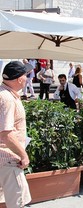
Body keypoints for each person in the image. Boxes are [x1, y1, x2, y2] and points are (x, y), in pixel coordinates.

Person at [0, 61, 32, 207]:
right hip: (9, 160)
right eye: (26, 75)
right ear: (20, 78)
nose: (27, 78)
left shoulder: (4, 94)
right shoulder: (7, 98)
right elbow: (6, 134)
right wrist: (23, 155)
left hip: (3, 160)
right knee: (17, 203)